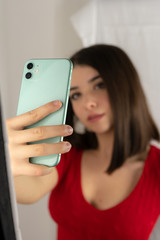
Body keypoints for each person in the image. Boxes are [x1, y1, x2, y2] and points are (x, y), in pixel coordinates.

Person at [6, 44, 160, 240]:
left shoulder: (156, 168)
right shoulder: (66, 154)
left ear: (125, 86)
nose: (88, 103)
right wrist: (7, 164)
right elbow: (28, 190)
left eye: (99, 85)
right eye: (76, 95)